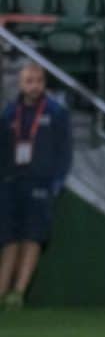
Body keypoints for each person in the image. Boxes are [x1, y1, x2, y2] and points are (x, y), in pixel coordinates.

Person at [0, 63, 71, 311]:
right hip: (10, 183)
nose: (33, 85)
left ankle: (18, 293)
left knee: (32, 238)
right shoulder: (9, 113)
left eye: (38, 80)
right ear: (20, 83)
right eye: (28, 80)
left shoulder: (56, 112)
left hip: (40, 183)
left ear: (44, 83)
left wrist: (56, 183)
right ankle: (2, 290)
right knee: (9, 239)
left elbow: (64, 152)